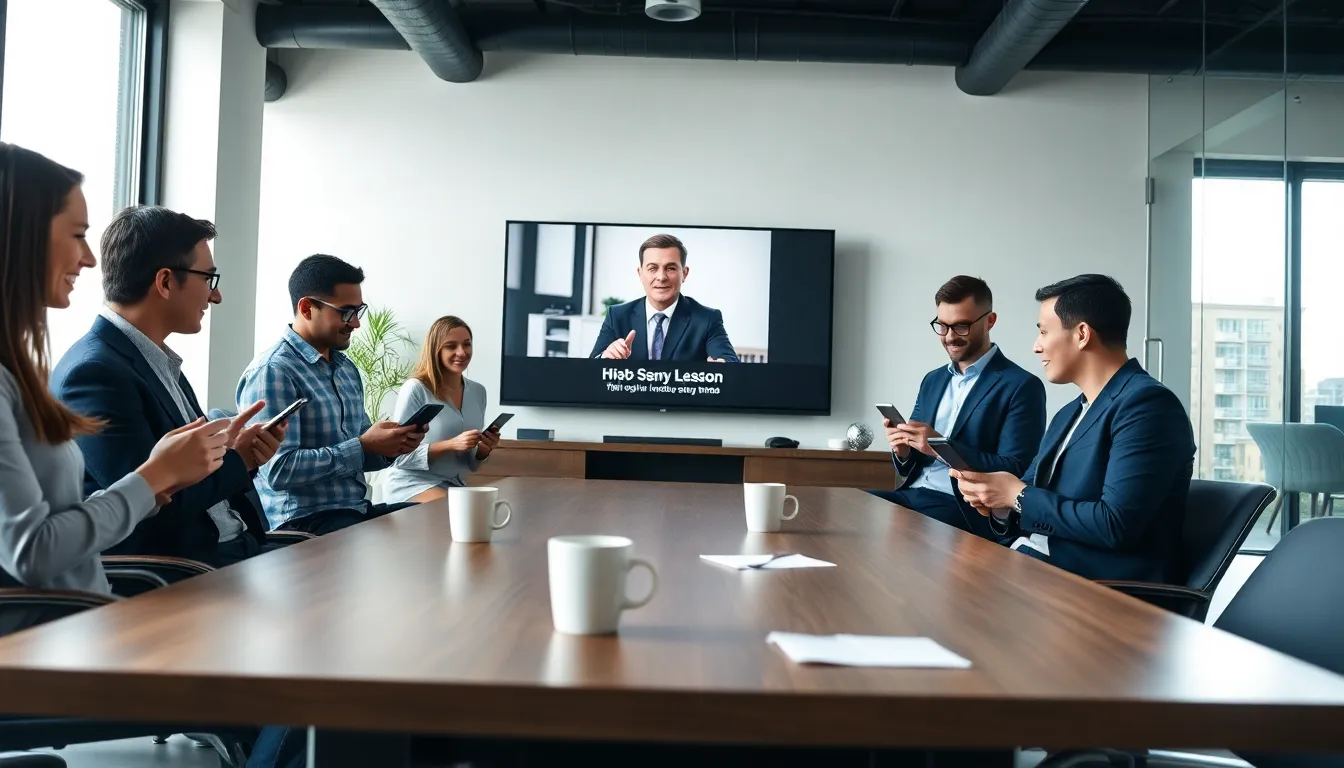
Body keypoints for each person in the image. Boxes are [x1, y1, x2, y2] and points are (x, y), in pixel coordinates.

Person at [0, 144, 229, 596]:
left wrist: (147, 488)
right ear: (23, 234)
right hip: (68, 629)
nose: (88, 258)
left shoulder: (19, 368)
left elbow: (63, 520)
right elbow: (30, 551)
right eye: (78, 234)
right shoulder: (83, 370)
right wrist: (153, 478)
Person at [51, 206, 289, 567]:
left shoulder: (156, 361)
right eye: (209, 278)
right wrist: (237, 461)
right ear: (165, 282)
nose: (216, 296)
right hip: (186, 571)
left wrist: (236, 454)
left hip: (235, 552)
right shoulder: (95, 374)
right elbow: (148, 508)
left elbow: (182, 477)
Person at [954, 274, 1196, 583]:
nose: (1036, 347)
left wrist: (1017, 495)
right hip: (1033, 565)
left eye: (1043, 332)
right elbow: (1026, 500)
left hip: (1098, 587)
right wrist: (995, 501)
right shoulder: (1068, 413)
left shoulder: (1148, 406)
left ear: (1081, 334)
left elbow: (1114, 524)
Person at [237, 254, 425, 535]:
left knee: (435, 520)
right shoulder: (274, 371)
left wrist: (391, 446)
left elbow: (364, 450)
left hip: (354, 511)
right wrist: (362, 446)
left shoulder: (346, 368)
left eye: (358, 311)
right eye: (346, 312)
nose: (356, 324)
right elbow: (278, 471)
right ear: (306, 308)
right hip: (304, 522)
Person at [871, 276, 1046, 540]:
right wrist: (904, 450)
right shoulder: (933, 380)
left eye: (961, 326)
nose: (950, 337)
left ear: (990, 321)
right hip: (910, 496)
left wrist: (941, 447)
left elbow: (1015, 467)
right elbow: (909, 467)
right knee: (847, 505)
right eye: (942, 326)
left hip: (962, 509)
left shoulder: (1022, 386)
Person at [383, 316, 502, 504]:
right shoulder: (417, 389)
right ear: (435, 350)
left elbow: (471, 464)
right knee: (457, 510)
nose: (462, 352)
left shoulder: (478, 392)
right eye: (451, 346)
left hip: (455, 487)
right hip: (413, 484)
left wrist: (483, 450)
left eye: (467, 344)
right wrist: (450, 444)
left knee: (485, 510)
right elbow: (399, 458)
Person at [590, 233, 738, 362]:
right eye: (652, 268)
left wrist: (723, 368)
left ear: (684, 273)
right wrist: (605, 358)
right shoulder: (617, 316)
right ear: (640, 273)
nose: (661, 277)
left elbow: (730, 363)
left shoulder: (707, 319)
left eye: (671, 268)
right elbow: (590, 370)